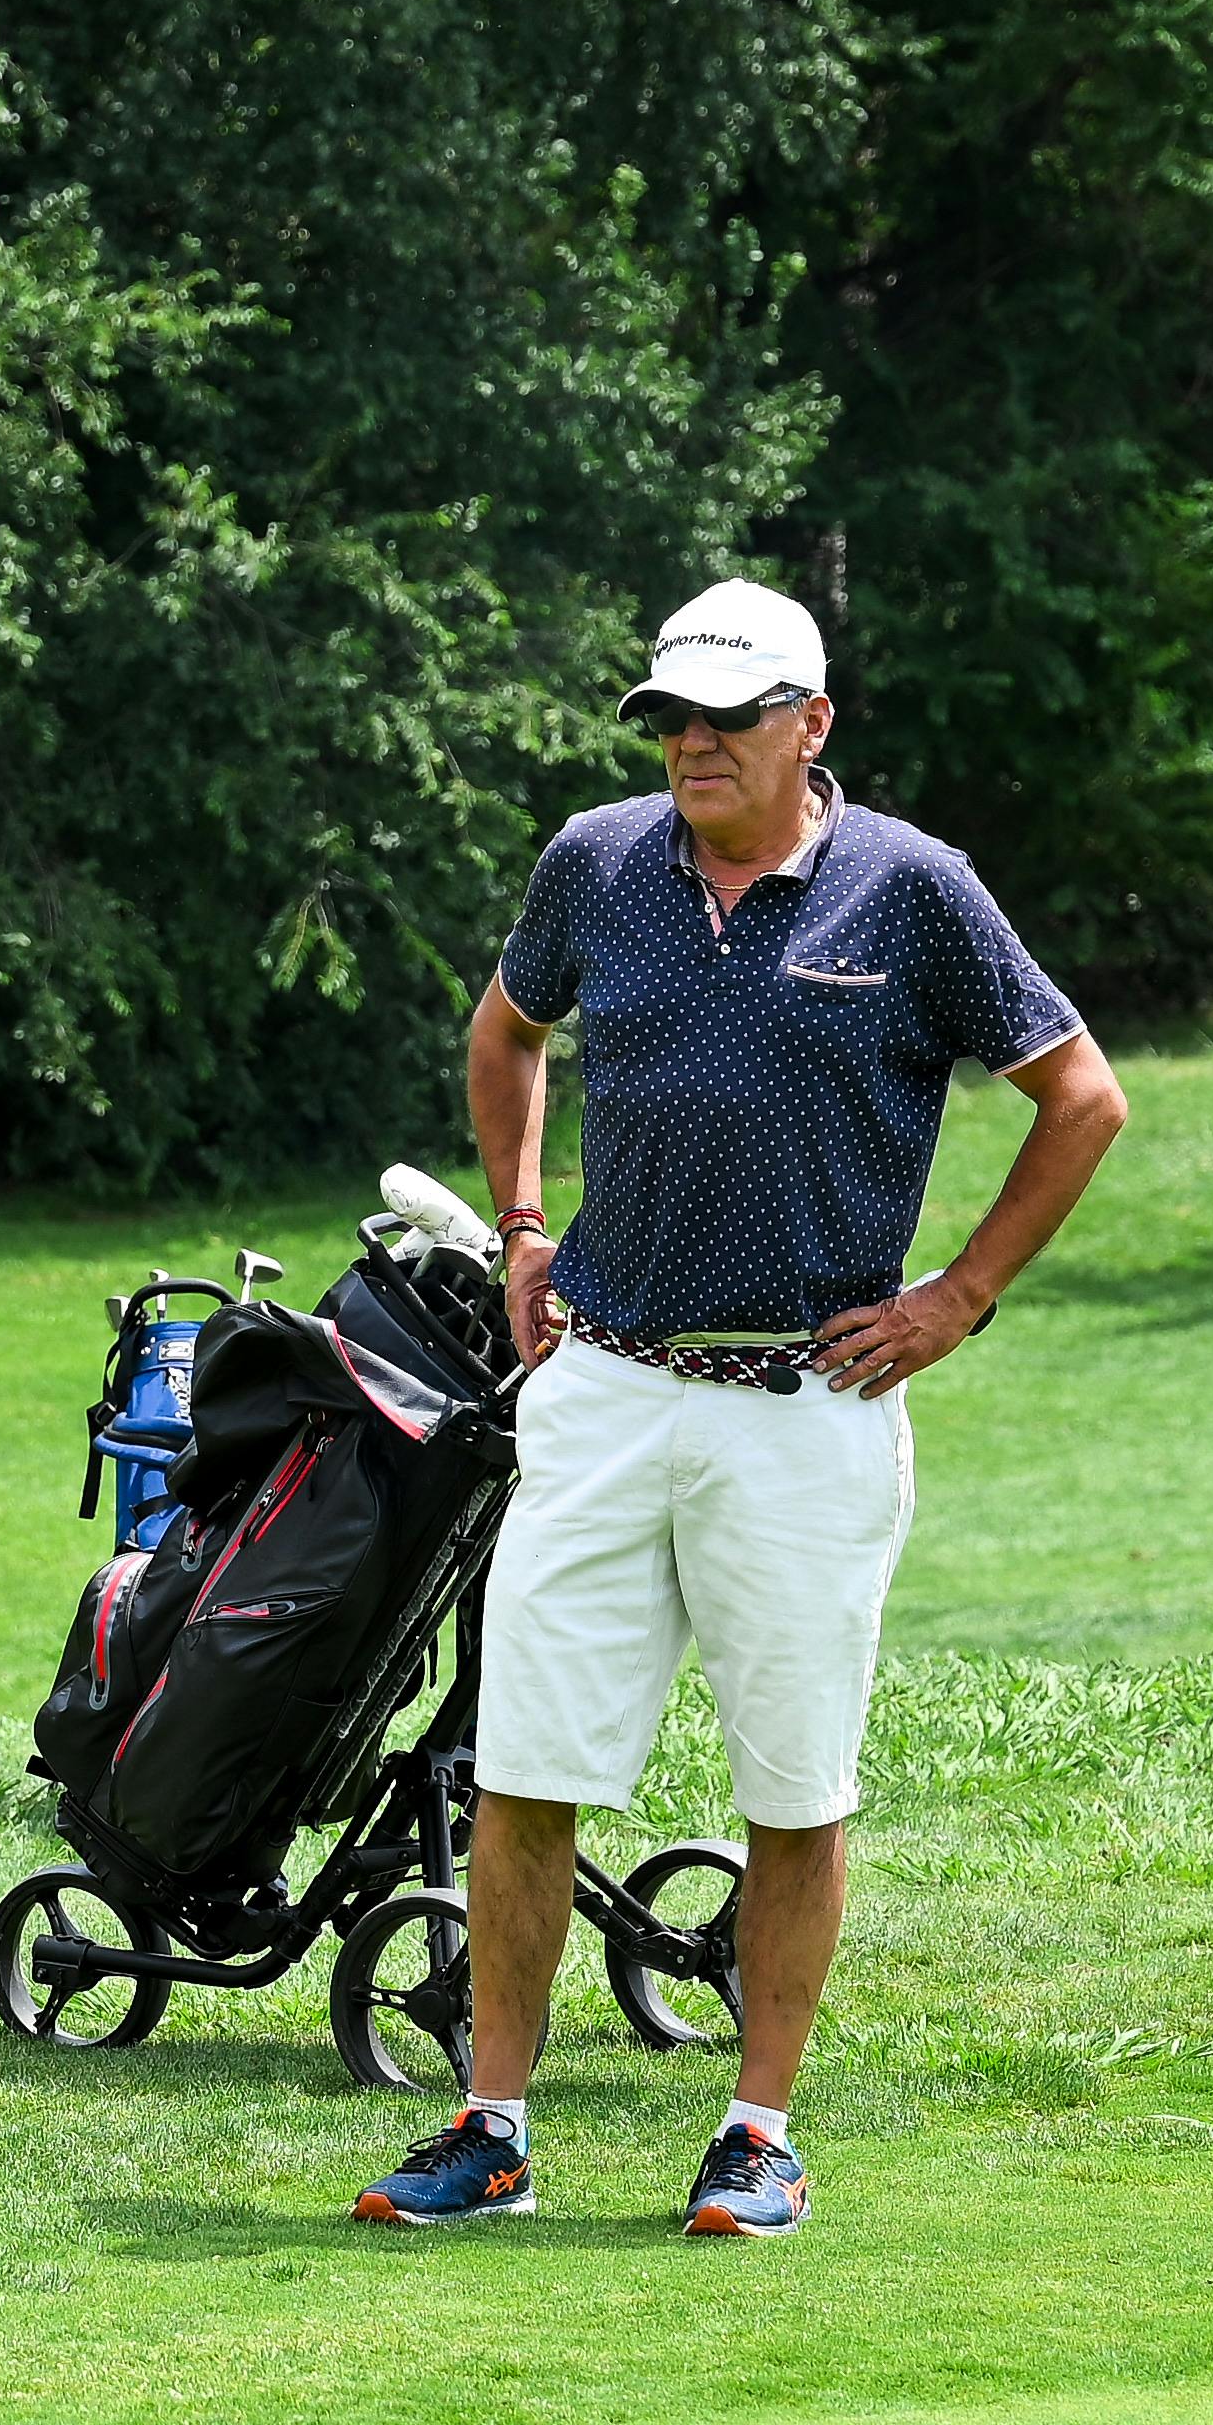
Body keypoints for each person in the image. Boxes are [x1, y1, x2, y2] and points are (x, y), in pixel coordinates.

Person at [355, 577, 1127, 2236]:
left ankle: (756, 2132)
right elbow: (506, 1034)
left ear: (812, 726)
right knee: (526, 1771)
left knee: (794, 1784)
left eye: (731, 717)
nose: (696, 746)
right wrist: (525, 1224)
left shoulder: (913, 892)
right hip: (608, 1388)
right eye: (674, 721)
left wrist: (958, 1297)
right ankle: (491, 2128)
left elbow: (1081, 1094)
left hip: (805, 1403)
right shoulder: (600, 862)